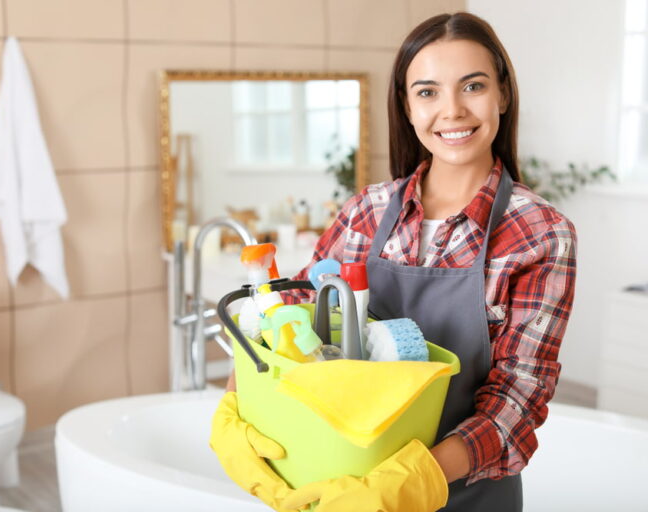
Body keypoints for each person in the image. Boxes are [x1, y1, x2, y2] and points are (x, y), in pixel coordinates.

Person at [210, 11, 577, 512]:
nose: (451, 111)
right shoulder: (367, 212)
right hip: (335, 487)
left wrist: (407, 480)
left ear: (503, 95)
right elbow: (282, 324)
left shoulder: (537, 233)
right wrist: (236, 407)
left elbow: (518, 397)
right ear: (406, 107)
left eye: (472, 86)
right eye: (427, 92)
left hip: (465, 495)